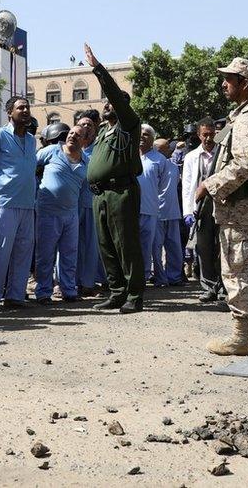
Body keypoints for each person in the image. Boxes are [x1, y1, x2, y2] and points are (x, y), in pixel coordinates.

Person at [196, 57, 248, 355]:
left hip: (240, 207)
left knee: (236, 269)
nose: (224, 83)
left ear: (245, 83)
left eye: (229, 79)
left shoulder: (247, 117)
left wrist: (210, 184)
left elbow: (245, 163)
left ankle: (240, 337)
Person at [84, 44, 145, 314]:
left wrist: (98, 69)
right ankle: (117, 291)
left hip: (121, 192)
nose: (107, 104)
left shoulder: (128, 126)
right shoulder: (102, 132)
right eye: (106, 102)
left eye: (113, 102)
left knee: (125, 244)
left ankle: (134, 295)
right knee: (106, 245)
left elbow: (117, 100)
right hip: (100, 194)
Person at [0, 96, 38, 311]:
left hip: (28, 204)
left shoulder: (31, 140)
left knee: (23, 251)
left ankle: (15, 296)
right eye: (21, 107)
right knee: (1, 252)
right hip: (4, 203)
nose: (25, 110)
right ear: (9, 112)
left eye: (27, 107)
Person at [34, 125, 88, 305]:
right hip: (48, 212)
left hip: (71, 214)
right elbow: (30, 166)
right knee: (45, 254)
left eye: (78, 135)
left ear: (84, 141)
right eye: (71, 133)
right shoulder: (51, 151)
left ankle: (68, 290)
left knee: (69, 254)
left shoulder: (86, 161)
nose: (72, 136)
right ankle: (43, 292)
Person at [182, 117, 225, 304]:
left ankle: (223, 288)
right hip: (200, 209)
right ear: (199, 135)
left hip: (221, 206)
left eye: (211, 134)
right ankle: (209, 287)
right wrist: (188, 211)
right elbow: (187, 186)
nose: (208, 138)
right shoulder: (191, 157)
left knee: (223, 249)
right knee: (204, 249)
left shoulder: (223, 154)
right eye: (204, 135)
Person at [75, 112, 107, 297]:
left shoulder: (100, 149)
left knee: (91, 246)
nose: (86, 128)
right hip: (72, 204)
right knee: (72, 245)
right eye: (82, 124)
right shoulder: (71, 148)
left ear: (95, 130)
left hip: (93, 203)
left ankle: (88, 283)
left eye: (89, 125)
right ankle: (70, 282)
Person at [137, 125, 167, 285]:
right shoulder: (129, 156)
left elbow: (162, 186)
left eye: (146, 134)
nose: (142, 136)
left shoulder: (159, 159)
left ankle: (144, 276)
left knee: (146, 247)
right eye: (140, 134)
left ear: (153, 139)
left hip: (150, 210)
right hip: (130, 210)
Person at [153, 137, 184, 286]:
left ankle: (174, 277)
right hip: (156, 212)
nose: (169, 151)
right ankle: (160, 278)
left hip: (172, 211)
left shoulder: (173, 166)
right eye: (164, 148)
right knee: (156, 248)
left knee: (174, 247)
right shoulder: (151, 164)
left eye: (168, 148)